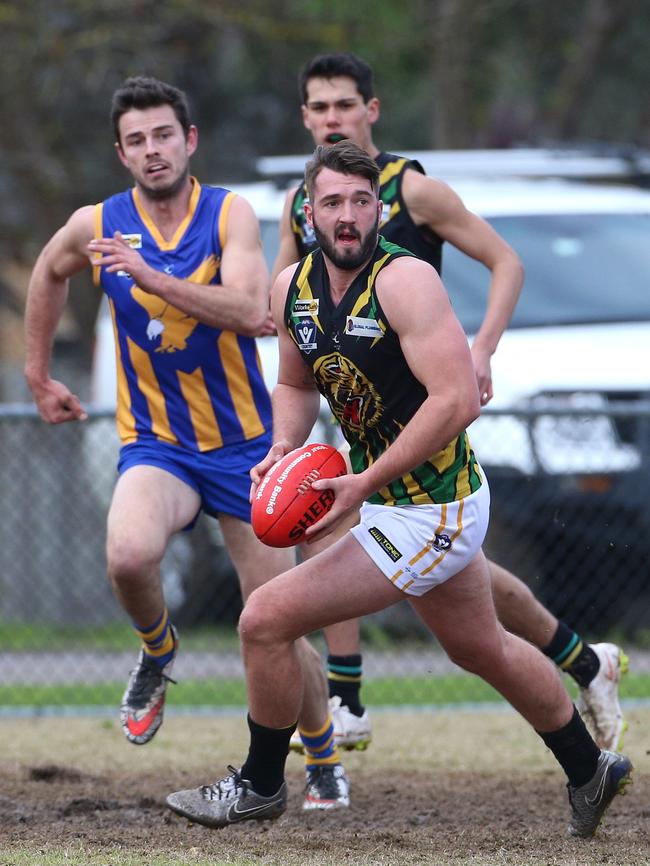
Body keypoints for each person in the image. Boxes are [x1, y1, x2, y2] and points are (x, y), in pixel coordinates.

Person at [166, 142, 632, 835]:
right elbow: (295, 383)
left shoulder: (405, 281)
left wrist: (363, 485)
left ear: (379, 209)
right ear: (307, 211)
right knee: (482, 648)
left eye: (361, 201)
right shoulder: (290, 287)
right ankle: (590, 770)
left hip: (432, 506)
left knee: (264, 618)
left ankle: (260, 785)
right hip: (394, 502)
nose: (348, 216)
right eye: (332, 203)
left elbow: (455, 402)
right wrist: (282, 448)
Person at [273, 52, 626, 756]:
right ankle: (581, 664)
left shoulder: (412, 191)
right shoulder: (300, 202)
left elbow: (507, 261)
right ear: (306, 118)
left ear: (371, 110)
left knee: (423, 558)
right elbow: (290, 294)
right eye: (319, 107)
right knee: (416, 562)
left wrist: (484, 347)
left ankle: (349, 698)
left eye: (345, 104)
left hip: (426, 406)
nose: (332, 118)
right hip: (356, 410)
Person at [23, 75, 349, 810]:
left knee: (274, 620)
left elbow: (248, 310)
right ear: (122, 153)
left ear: (189, 139)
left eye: (163, 134)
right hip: (158, 444)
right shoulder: (98, 223)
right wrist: (39, 375)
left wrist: (147, 274)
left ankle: (322, 753)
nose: (152, 150)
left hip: (246, 447)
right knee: (128, 553)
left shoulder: (227, 213)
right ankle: (159, 650)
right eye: (136, 140)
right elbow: (47, 270)